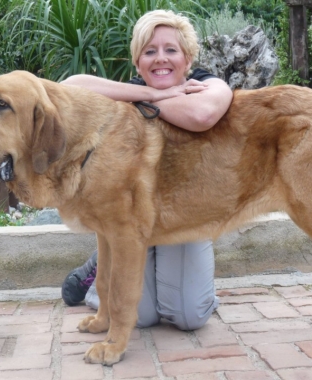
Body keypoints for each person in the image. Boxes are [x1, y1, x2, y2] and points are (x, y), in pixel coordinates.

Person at [60, 9, 233, 331]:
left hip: (183, 218)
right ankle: (100, 273)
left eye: (171, 50)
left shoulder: (206, 83)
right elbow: (70, 86)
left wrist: (138, 105)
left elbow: (201, 116)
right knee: (142, 318)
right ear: (137, 62)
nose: (160, 59)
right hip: (133, 219)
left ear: (188, 58)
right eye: (149, 51)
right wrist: (153, 94)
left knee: (189, 317)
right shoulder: (136, 89)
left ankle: (180, 286)